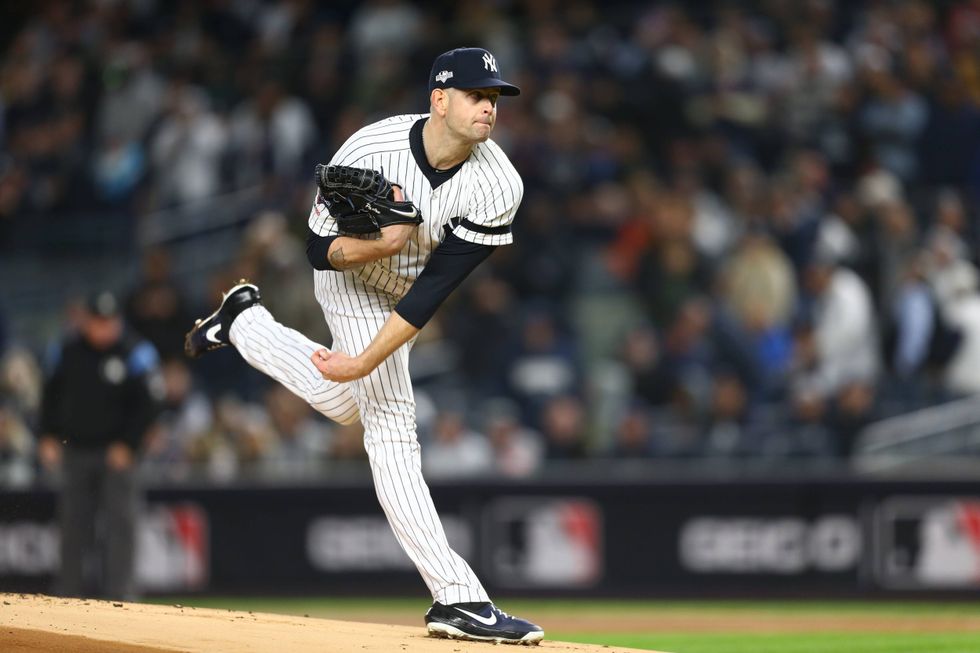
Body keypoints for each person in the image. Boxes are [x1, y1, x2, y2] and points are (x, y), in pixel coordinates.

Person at [185, 47, 543, 644]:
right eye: (477, 95)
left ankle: (244, 322)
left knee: (350, 400)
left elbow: (433, 291)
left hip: (406, 292)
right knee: (392, 425)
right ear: (438, 100)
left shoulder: (499, 183)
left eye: (495, 98)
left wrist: (364, 359)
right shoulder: (369, 150)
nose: (488, 107)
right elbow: (315, 250)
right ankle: (456, 597)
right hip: (350, 278)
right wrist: (380, 243)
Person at [39, 290, 161, 600]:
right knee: (74, 526)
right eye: (99, 321)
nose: (105, 328)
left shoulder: (135, 353)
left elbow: (148, 406)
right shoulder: (66, 351)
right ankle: (68, 594)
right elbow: (50, 397)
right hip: (76, 451)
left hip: (117, 454)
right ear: (87, 321)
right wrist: (48, 435)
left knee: (121, 526)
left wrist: (129, 445)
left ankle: (122, 595)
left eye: (111, 321)